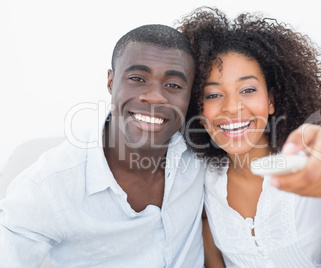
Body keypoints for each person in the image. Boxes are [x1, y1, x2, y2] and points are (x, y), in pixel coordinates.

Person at [178, 7, 321, 267]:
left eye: (248, 90)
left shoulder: (313, 146)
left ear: (271, 100)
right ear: (198, 107)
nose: (231, 107)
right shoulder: (202, 180)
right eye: (213, 95)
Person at [0, 24, 205, 267]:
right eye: (137, 79)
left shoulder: (202, 153)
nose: (154, 96)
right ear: (110, 82)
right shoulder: (48, 187)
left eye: (173, 85)